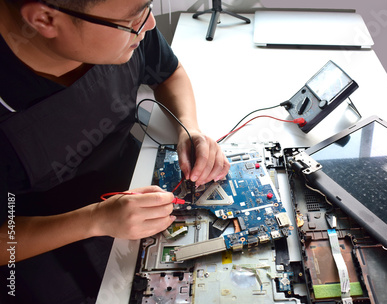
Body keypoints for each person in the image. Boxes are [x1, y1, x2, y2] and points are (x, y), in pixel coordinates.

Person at [0, 0, 230, 302]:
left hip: (132, 183)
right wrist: (96, 219)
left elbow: (169, 72)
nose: (149, 24)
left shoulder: (120, 25)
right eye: (135, 17)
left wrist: (189, 128)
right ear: (45, 19)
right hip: (43, 249)